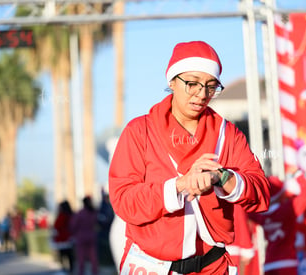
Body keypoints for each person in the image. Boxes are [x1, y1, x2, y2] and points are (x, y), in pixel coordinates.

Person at [108, 40, 270, 275]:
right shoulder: (139, 131)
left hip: (212, 266)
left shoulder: (227, 134)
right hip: (150, 265)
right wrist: (181, 185)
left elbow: (262, 194)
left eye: (211, 86)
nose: (202, 94)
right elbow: (124, 200)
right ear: (172, 81)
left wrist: (222, 177)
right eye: (192, 84)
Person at [249, 173, 306, 275]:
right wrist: (298, 174)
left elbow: (246, 209)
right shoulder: (288, 209)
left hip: (269, 264)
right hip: (287, 263)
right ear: (281, 193)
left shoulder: (261, 214)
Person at [70, 196, 99, 275]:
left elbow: (73, 225)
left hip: (81, 237)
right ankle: (95, 272)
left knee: (81, 258)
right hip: (91, 236)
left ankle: (81, 273)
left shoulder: (80, 213)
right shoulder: (93, 212)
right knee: (93, 258)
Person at [52, 200, 75, 274]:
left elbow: (56, 226)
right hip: (70, 238)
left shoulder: (62, 216)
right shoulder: (71, 215)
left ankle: (64, 270)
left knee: (62, 256)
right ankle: (71, 270)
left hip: (62, 239)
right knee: (70, 256)